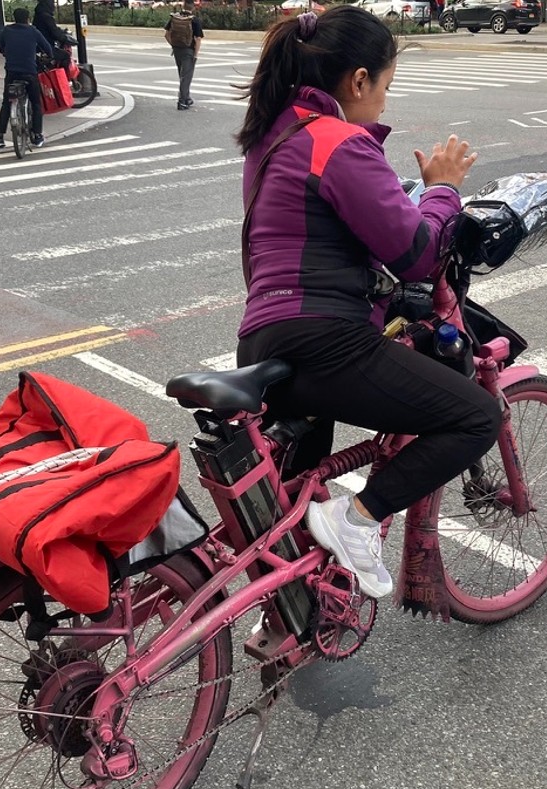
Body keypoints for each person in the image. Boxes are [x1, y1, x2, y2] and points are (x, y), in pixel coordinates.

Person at [234, 6, 498, 599]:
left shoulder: (272, 140)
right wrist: (442, 191)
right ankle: (356, 521)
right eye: (385, 88)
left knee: (294, 488)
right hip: (326, 339)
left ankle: (288, 606)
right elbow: (417, 255)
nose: (383, 103)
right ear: (357, 81)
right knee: (475, 415)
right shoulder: (337, 142)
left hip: (263, 338)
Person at [0, 6, 53, 149]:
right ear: (28, 19)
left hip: (12, 73)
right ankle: (38, 135)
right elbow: (47, 48)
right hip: (29, 72)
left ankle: (0, 137)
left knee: (6, 103)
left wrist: (5, 52)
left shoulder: (7, 31)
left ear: (14, 18)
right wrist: (49, 56)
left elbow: (0, 46)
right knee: (36, 103)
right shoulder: (33, 31)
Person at [164, 1, 203, 111]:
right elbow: (198, 39)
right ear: (193, 8)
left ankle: (187, 98)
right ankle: (182, 101)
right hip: (188, 50)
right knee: (186, 77)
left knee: (182, 75)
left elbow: (166, 34)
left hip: (177, 50)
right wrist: (195, 54)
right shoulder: (194, 20)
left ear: (183, 6)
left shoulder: (174, 18)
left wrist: (173, 45)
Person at [33, 0, 77, 71]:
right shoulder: (47, 16)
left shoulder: (39, 14)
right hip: (46, 47)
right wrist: (65, 38)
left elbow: (52, 28)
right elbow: (55, 33)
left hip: (38, 47)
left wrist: (61, 31)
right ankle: (63, 78)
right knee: (65, 56)